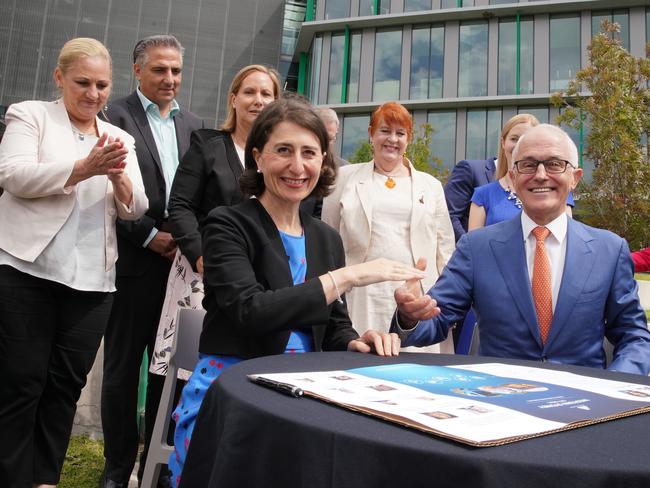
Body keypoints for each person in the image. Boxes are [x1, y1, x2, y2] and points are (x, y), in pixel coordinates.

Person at [170, 97, 421, 486]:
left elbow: (334, 325)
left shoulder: (326, 237)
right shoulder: (226, 225)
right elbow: (249, 311)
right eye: (283, 151)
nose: (297, 166)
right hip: (235, 391)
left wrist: (356, 342)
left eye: (309, 153)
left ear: (323, 161)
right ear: (258, 157)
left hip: (309, 393)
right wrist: (346, 277)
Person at [0, 37, 147, 488]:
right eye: (82, 82)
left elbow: (137, 207)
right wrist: (84, 168)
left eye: (102, 84)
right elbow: (12, 175)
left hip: (92, 280)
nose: (93, 93)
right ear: (59, 77)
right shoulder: (30, 114)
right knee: (21, 383)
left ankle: (44, 479)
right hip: (27, 269)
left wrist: (118, 175)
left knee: (65, 386)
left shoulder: (119, 136)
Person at [392, 124, 650, 376]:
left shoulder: (609, 250)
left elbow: (634, 336)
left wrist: (612, 387)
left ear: (575, 178)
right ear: (513, 179)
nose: (540, 174)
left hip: (587, 405)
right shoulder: (477, 247)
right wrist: (409, 316)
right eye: (528, 164)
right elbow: (435, 321)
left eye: (554, 164)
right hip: (498, 402)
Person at [100, 35, 204, 488]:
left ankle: (158, 469)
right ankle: (118, 468)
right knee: (123, 371)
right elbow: (102, 190)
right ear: (137, 71)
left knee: (172, 370)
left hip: (181, 271)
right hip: (133, 264)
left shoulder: (195, 126)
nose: (169, 79)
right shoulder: (112, 115)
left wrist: (188, 241)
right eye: (160, 70)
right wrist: (145, 236)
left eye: (176, 71)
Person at [322, 101, 455, 353]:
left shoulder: (431, 186)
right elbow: (327, 240)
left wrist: (446, 304)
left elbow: (445, 249)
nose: (392, 139)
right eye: (385, 131)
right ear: (371, 133)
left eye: (400, 133)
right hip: (360, 295)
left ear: (409, 139)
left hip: (414, 293)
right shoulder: (342, 179)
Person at [168, 64, 281, 275]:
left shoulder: (282, 157)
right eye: (249, 92)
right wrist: (199, 254)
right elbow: (180, 205)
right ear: (233, 99)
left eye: (266, 94)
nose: (258, 100)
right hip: (207, 271)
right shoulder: (207, 146)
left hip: (262, 273)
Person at [468, 113, 574, 231]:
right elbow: (475, 245)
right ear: (503, 142)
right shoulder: (483, 195)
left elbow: (567, 236)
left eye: (526, 138)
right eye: (514, 139)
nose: (519, 144)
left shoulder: (558, 191)